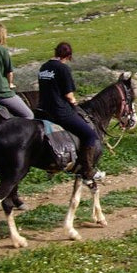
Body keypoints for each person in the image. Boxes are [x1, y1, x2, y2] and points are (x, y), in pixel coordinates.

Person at [37, 41, 105, 188]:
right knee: (90, 135)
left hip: (43, 110)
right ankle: (87, 170)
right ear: (68, 56)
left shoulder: (44, 67)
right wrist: (74, 101)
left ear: (55, 52)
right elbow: (68, 94)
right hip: (59, 111)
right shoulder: (62, 68)